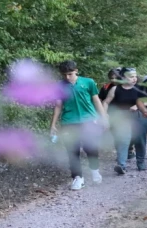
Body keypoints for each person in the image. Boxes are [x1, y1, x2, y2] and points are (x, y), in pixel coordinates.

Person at [50, 60, 108, 190]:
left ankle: (94, 169)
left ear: (76, 71)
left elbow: (96, 100)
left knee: (91, 147)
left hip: (89, 120)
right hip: (69, 121)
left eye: (70, 73)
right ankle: (77, 177)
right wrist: (53, 124)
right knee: (72, 150)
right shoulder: (59, 86)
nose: (67, 77)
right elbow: (58, 105)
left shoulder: (88, 82)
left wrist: (103, 118)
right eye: (64, 74)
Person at [103, 67, 147, 173]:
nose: (134, 79)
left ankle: (141, 162)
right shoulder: (115, 89)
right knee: (123, 140)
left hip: (138, 115)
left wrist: (137, 106)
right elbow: (106, 102)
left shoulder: (140, 88)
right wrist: (104, 114)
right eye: (131, 77)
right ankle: (121, 165)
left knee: (140, 139)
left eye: (135, 76)